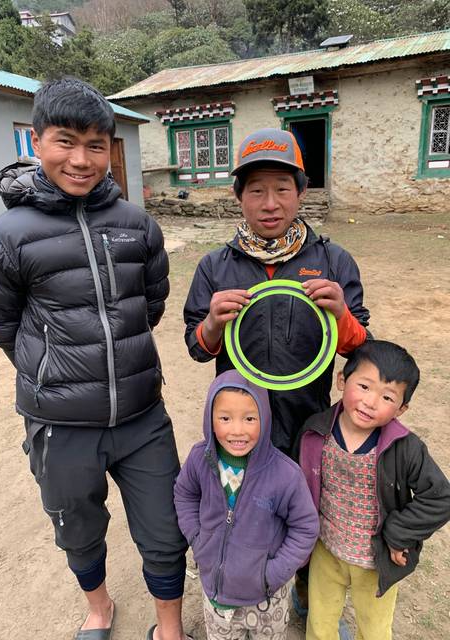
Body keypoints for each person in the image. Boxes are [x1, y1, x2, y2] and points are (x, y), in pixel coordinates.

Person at [0, 78, 190, 640]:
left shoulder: (138, 226)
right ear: (37, 141)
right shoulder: (3, 238)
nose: (80, 158)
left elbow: (153, 304)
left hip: (142, 416)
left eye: (96, 145)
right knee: (77, 526)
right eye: (65, 141)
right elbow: (3, 325)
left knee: (166, 528)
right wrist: (57, 371)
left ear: (109, 149)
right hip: (60, 423)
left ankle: (170, 624)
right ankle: (99, 609)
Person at [183, 126, 370, 614]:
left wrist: (341, 316)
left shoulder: (332, 260)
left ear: (301, 192)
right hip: (241, 422)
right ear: (238, 196)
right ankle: (248, 585)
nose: (270, 203)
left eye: (282, 189)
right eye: (257, 190)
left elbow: (361, 347)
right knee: (243, 505)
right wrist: (211, 325)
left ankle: (304, 591)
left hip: (309, 417)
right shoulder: (214, 268)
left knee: (307, 505)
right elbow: (197, 349)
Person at [296, 340, 450, 640]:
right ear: (342, 380)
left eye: (387, 396)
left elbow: (440, 497)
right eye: (364, 386)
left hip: (375, 561)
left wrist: (398, 534)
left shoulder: (406, 448)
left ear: (401, 409)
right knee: (320, 624)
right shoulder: (314, 431)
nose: (370, 402)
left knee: (375, 630)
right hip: (326, 550)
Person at [174, 368, 319, 639]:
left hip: (267, 599)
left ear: (265, 419)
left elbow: (306, 527)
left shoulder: (285, 474)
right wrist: (197, 536)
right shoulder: (199, 460)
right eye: (225, 418)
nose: (237, 430)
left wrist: (274, 573)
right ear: (210, 418)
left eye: (250, 418)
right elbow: (185, 494)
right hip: (217, 598)